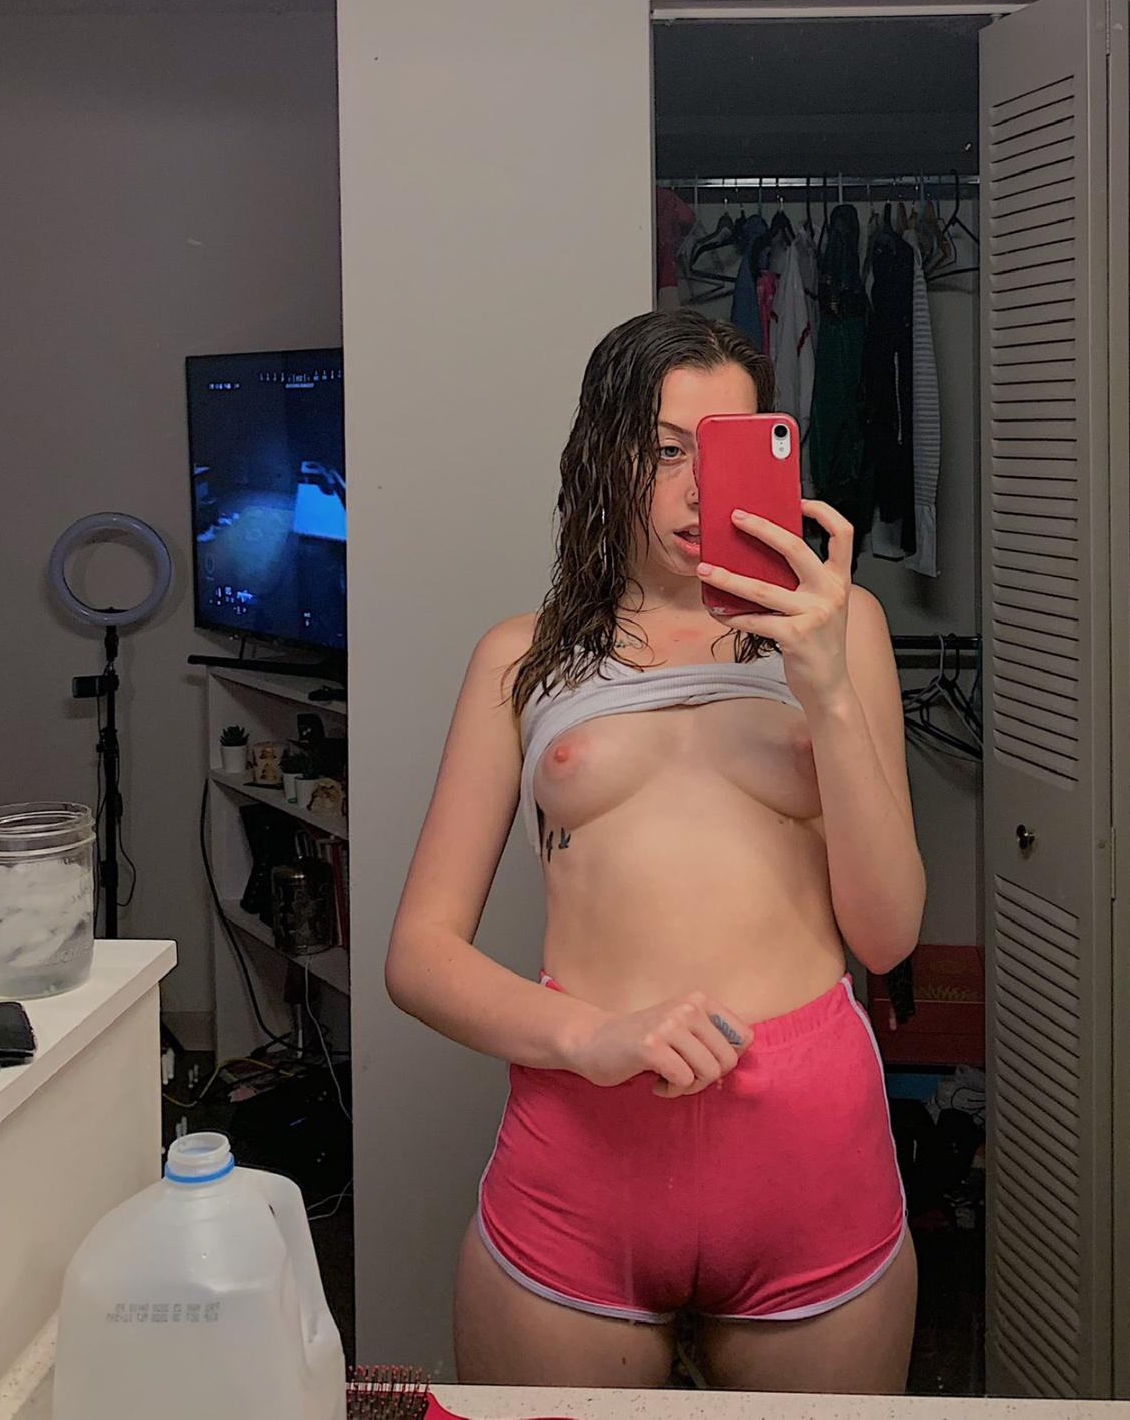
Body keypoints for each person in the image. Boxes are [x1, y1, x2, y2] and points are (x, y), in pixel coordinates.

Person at [387, 310, 926, 1392]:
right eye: (665, 448)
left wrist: (823, 686)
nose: (694, 488)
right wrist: (586, 1034)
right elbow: (420, 954)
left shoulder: (844, 628)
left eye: (723, 448)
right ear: (606, 455)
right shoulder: (521, 658)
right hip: (583, 1142)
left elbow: (887, 933)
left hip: (809, 1148)